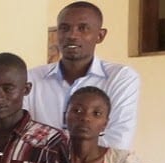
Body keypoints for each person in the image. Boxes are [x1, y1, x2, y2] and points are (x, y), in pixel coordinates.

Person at [24, 2, 141, 150]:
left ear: (100, 35)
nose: (72, 35)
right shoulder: (32, 78)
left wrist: (52, 152)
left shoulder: (121, 78)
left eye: (83, 28)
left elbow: (118, 141)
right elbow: (22, 135)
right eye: (64, 28)